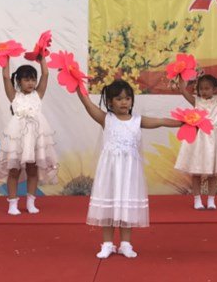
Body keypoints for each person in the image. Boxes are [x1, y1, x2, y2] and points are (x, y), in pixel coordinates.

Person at [75, 79, 182, 258]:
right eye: (118, 99)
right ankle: (107, 244)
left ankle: (126, 244)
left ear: (132, 100)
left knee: (126, 205)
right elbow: (87, 103)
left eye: (127, 98)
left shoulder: (138, 121)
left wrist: (185, 123)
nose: (124, 102)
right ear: (110, 102)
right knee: (108, 206)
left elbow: (161, 121)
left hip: (129, 173)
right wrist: (76, 82)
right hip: (110, 172)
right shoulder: (106, 119)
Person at [0, 56, 58, 215]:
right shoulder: (14, 96)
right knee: (14, 169)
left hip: (35, 138)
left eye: (33, 79)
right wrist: (6, 57)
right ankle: (12, 203)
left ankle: (31, 202)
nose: (31, 83)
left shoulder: (38, 94)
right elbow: (5, 76)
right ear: (19, 81)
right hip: (18, 138)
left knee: (32, 170)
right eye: (27, 80)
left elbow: (46, 74)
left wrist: (42, 59)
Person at [175, 74, 217, 210]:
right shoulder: (196, 101)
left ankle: (211, 200)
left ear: (214, 89)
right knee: (196, 171)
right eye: (201, 89)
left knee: (213, 172)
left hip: (214, 139)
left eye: (207, 88)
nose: (204, 91)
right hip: (199, 139)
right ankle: (197, 199)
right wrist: (181, 75)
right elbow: (183, 91)